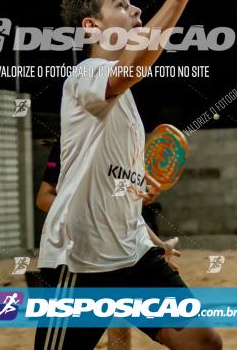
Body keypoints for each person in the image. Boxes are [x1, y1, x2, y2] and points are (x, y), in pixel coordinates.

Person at [35, 0, 221, 350]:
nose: (135, 8)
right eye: (120, 4)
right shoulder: (85, 76)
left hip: (134, 254)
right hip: (79, 261)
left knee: (204, 342)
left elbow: (117, 189)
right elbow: (130, 68)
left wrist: (152, 234)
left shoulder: (127, 105)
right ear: (92, 26)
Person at [35, 140, 162, 350]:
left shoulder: (123, 146)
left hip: (119, 250)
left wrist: (157, 244)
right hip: (78, 255)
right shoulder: (72, 142)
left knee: (119, 321)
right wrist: (84, 215)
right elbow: (43, 198)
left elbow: (123, 212)